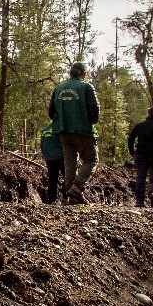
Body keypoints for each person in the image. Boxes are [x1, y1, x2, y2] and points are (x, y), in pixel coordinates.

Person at [47, 62, 100, 204]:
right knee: (91, 160)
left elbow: (51, 112)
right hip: (83, 130)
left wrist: (60, 122)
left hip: (63, 131)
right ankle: (77, 188)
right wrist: (91, 122)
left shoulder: (58, 88)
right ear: (83, 73)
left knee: (70, 163)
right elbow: (95, 109)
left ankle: (70, 196)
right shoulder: (87, 87)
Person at [127, 106, 153, 207]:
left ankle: (139, 201)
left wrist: (132, 152)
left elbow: (131, 139)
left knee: (141, 176)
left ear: (148, 114)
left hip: (140, 153)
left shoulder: (140, 125)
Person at [40, 123, 65, 204]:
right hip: (60, 156)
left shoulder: (45, 129)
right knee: (68, 177)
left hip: (49, 158)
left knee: (52, 178)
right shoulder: (60, 127)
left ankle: (51, 199)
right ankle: (65, 196)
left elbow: (42, 145)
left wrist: (45, 156)